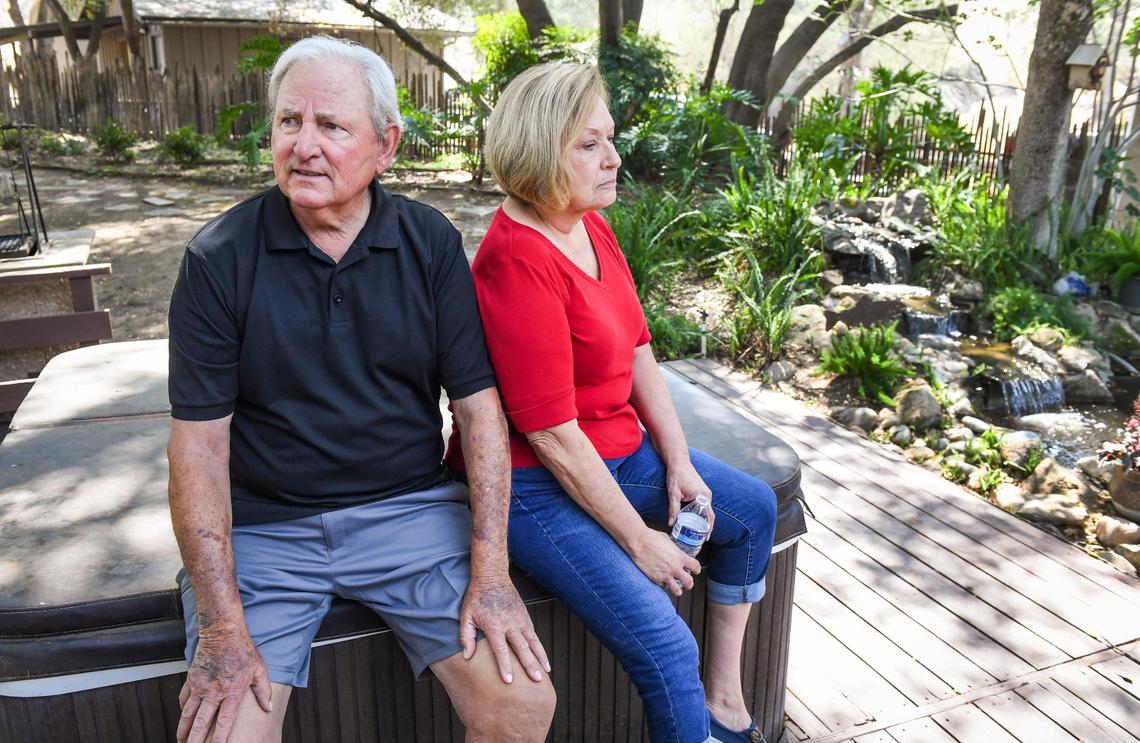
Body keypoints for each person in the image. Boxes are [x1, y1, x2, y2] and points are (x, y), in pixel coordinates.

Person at [167, 35, 554, 743]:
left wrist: (490, 572)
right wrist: (223, 624)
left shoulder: (428, 242)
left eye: (331, 126)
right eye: (290, 122)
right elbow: (196, 448)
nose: (304, 145)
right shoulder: (218, 258)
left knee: (522, 702)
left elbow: (479, 412)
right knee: (222, 737)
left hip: (408, 513)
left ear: (387, 145)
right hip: (265, 530)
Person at [444, 62, 778, 743]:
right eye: (589, 143)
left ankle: (723, 707)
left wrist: (679, 460)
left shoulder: (590, 224)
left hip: (620, 456)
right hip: (536, 487)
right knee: (664, 641)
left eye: (611, 137)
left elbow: (636, 349)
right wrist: (640, 540)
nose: (614, 156)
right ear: (541, 151)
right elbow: (551, 435)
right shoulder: (515, 260)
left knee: (752, 509)